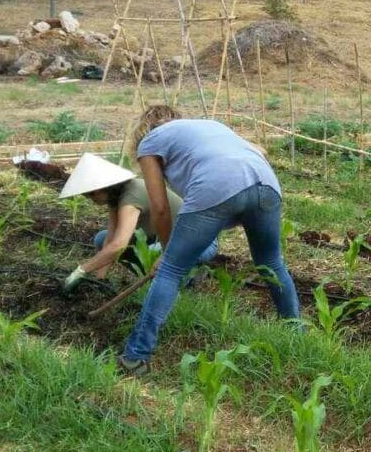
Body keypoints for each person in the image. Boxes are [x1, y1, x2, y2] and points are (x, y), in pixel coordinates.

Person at [117, 105, 300, 376]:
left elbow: (160, 208)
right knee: (271, 262)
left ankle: (135, 356)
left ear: (142, 131)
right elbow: (261, 151)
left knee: (171, 270)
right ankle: (297, 333)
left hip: (217, 185)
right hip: (266, 182)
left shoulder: (150, 143)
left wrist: (167, 254)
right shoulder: (210, 126)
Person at [57, 154, 218, 295]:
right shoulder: (116, 197)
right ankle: (152, 276)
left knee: (152, 252)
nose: (90, 199)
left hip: (198, 242)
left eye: (91, 194)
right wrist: (101, 278)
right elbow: (111, 239)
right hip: (162, 239)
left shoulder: (131, 198)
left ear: (103, 187)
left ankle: (184, 280)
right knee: (102, 238)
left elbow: (119, 245)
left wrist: (81, 270)